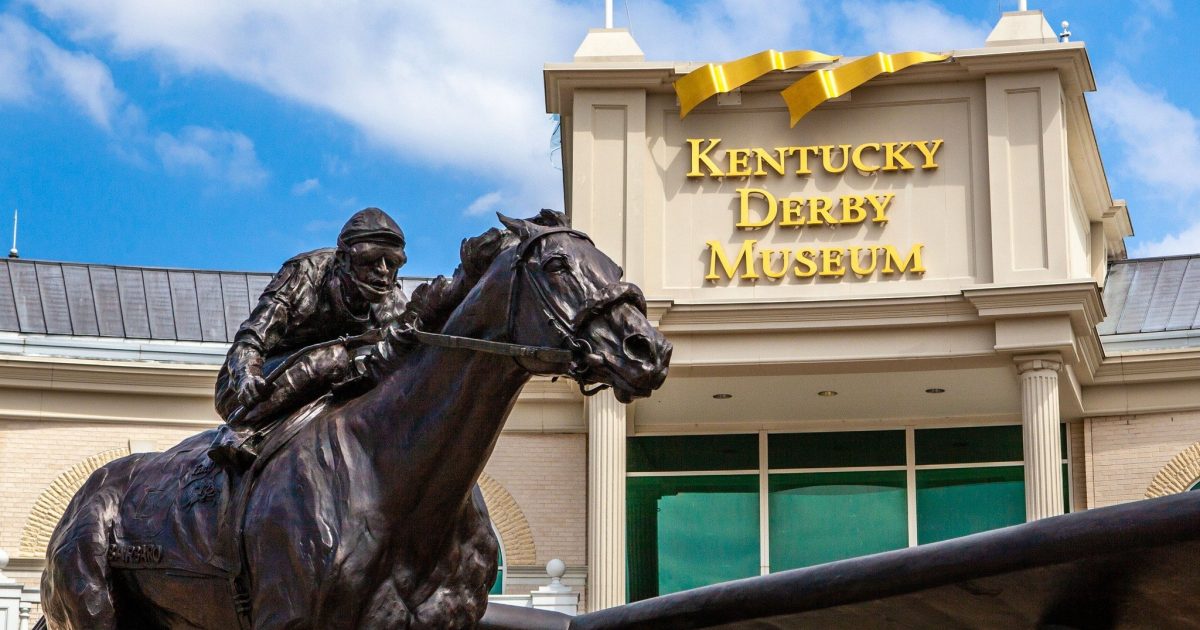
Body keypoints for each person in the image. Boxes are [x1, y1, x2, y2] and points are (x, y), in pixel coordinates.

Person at [208, 207, 410, 470]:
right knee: (335, 357)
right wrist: (247, 376)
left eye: (392, 263)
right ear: (343, 259)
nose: (383, 272)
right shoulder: (304, 274)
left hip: (330, 387)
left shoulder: (393, 302)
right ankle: (241, 429)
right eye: (372, 261)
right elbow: (250, 339)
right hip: (253, 389)